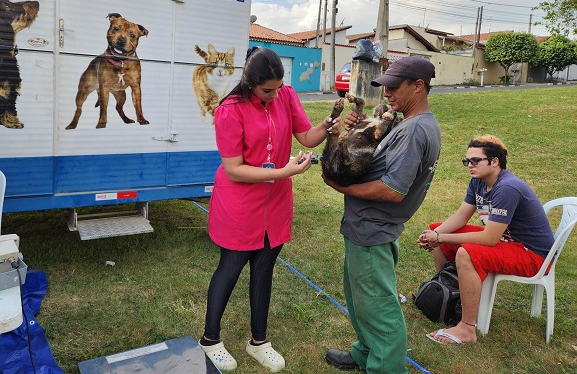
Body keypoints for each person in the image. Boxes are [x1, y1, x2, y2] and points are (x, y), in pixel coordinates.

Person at [199, 46, 341, 373]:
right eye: (268, 90)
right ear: (250, 83)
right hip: (239, 203)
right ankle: (209, 340)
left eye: (279, 88)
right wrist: (282, 172)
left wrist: (327, 125)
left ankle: (258, 341)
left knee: (264, 270)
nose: (275, 95)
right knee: (230, 269)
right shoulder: (229, 111)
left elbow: (306, 137)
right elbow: (234, 168)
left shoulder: (285, 95)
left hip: (274, 202)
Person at [322, 57, 441, 374]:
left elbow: (393, 190)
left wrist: (341, 187)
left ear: (418, 86)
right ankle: (365, 352)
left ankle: (386, 368)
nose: (386, 92)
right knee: (361, 299)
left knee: (379, 307)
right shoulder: (408, 123)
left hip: (373, 231)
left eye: (393, 86)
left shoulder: (416, 131)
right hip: (365, 228)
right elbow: (378, 154)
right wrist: (359, 127)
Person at [418, 135, 554, 345]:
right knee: (437, 230)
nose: (470, 166)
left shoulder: (507, 187)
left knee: (466, 252)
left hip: (533, 255)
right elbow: (462, 216)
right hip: (508, 242)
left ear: (495, 161)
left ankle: (467, 329)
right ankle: (448, 296)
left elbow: (490, 238)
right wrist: (435, 236)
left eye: (475, 161)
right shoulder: (478, 182)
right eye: (467, 161)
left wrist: (441, 238)